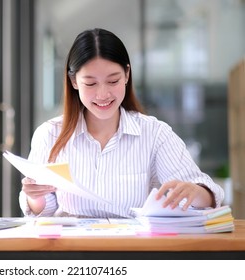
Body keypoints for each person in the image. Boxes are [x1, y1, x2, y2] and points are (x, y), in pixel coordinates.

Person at [19, 28, 224, 218]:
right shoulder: (50, 134)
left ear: (127, 74)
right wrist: (35, 196)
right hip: (72, 251)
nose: (103, 94)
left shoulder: (154, 134)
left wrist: (196, 192)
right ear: (73, 82)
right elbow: (44, 212)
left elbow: (207, 197)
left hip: (133, 252)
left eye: (113, 81)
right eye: (90, 83)